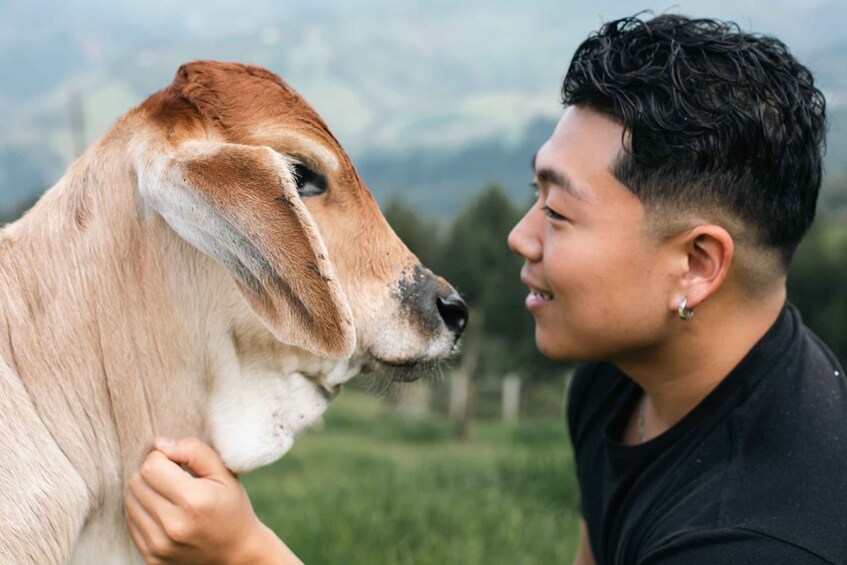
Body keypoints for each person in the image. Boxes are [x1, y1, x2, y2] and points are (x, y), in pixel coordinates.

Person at [125, 13, 845, 564]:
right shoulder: (620, 383)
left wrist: (245, 552)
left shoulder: (758, 538)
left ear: (694, 265)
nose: (519, 235)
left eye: (558, 213)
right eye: (537, 194)